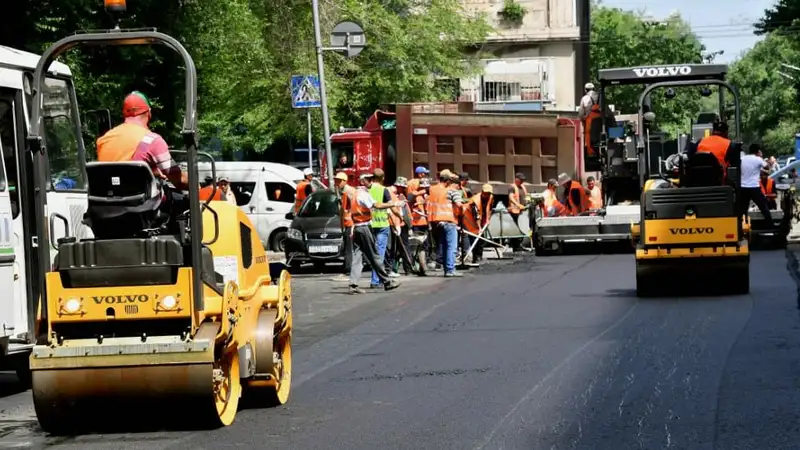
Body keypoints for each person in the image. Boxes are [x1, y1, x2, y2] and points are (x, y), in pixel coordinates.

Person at [96, 91, 189, 190]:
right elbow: (179, 181)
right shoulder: (153, 140)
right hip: (139, 203)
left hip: (106, 201)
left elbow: (118, 172)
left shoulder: (104, 139)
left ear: (124, 113)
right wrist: (196, 185)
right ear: (149, 112)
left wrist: (149, 171)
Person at [339, 172, 400, 294]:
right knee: (374, 256)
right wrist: (393, 204)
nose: (371, 182)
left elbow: (344, 211)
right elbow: (376, 205)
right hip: (364, 228)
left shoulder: (354, 194)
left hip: (357, 228)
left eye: (371, 179)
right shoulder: (362, 194)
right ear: (363, 182)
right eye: (369, 180)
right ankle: (387, 282)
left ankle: (353, 284)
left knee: (357, 257)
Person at [369, 169, 402, 288]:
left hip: (369, 224)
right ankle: (375, 280)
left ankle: (370, 279)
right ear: (383, 178)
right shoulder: (384, 190)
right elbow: (392, 207)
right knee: (380, 253)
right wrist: (399, 216)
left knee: (370, 253)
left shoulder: (368, 189)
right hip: (382, 224)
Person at [427, 169, 463, 277]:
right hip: (448, 221)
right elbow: (459, 204)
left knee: (442, 245)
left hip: (435, 221)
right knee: (451, 246)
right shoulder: (451, 191)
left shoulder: (432, 189)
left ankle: (445, 268)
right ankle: (450, 270)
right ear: (447, 181)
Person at [740, 144, 774, 225]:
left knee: (743, 208)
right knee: (763, 206)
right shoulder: (758, 159)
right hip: (754, 187)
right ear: (758, 151)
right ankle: (770, 224)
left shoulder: (743, 158)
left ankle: (742, 225)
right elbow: (767, 167)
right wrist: (761, 158)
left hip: (743, 187)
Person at [462, 183, 494, 264]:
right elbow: (476, 216)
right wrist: (479, 227)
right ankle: (474, 257)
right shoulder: (475, 201)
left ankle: (479, 256)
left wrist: (487, 219)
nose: (487, 195)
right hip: (469, 218)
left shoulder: (490, 197)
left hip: (481, 218)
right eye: (486, 193)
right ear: (482, 192)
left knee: (481, 238)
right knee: (474, 237)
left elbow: (489, 209)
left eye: (489, 193)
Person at [507, 173, 529, 251]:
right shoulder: (512, 187)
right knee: (517, 228)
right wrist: (518, 205)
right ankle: (515, 245)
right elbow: (511, 198)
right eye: (521, 180)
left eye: (523, 180)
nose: (522, 181)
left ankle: (518, 244)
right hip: (514, 211)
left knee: (522, 228)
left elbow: (526, 196)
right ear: (516, 179)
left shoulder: (523, 187)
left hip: (523, 211)